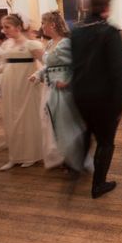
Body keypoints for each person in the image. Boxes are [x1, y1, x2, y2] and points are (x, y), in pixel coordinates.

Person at [71, 0, 122, 198]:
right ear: (106, 7)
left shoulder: (76, 31)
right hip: (104, 97)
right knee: (105, 141)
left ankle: (76, 171)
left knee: (87, 131)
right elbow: (118, 70)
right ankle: (99, 184)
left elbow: (74, 65)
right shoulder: (109, 32)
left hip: (80, 94)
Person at [30, 10, 88, 172]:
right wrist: (38, 74)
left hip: (63, 89)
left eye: (43, 23)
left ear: (52, 25)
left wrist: (68, 81)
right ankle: (60, 156)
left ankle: (73, 159)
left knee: (66, 123)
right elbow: (49, 66)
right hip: (50, 86)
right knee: (51, 122)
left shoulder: (66, 43)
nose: (41, 27)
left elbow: (78, 65)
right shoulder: (49, 44)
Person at [0, 14, 44, 171]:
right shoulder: (6, 45)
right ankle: (15, 156)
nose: (3, 30)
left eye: (7, 27)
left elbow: (44, 63)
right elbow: (4, 65)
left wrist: (38, 75)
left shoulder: (32, 44)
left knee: (27, 119)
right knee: (11, 119)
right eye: (2, 27)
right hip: (10, 85)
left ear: (18, 27)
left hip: (27, 85)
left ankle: (31, 155)